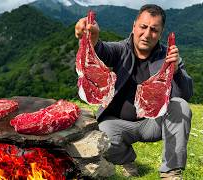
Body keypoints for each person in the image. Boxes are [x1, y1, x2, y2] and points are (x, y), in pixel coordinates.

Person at [75, 4, 193, 179]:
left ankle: (171, 171)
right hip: (119, 124)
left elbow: (186, 94)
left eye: (154, 30)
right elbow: (102, 51)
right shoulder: (121, 49)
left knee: (180, 106)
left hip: (153, 123)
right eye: (143, 27)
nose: (146, 34)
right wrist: (91, 39)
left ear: (160, 33)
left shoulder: (169, 58)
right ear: (134, 26)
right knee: (101, 133)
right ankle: (126, 159)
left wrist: (175, 72)